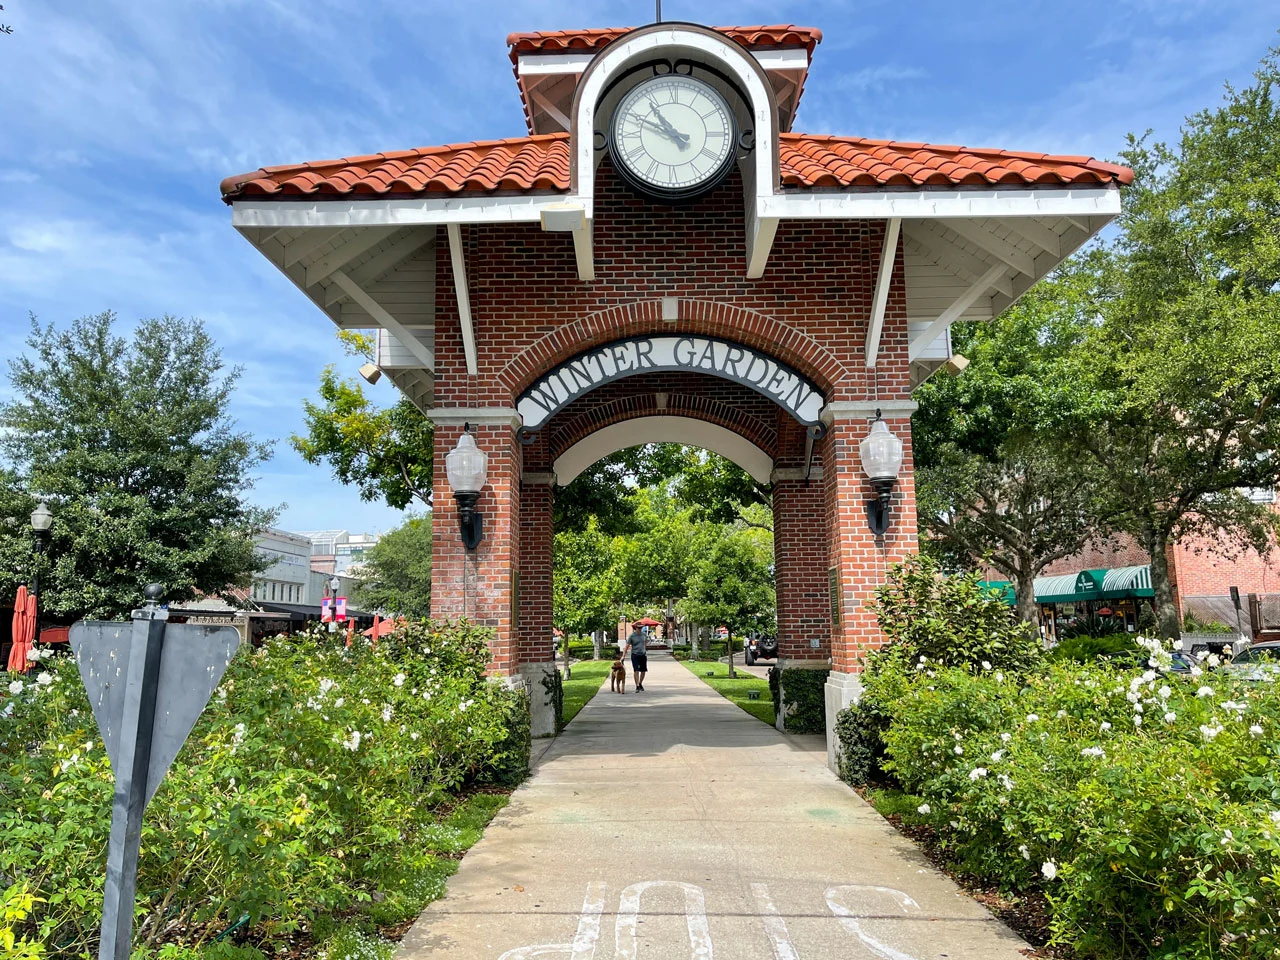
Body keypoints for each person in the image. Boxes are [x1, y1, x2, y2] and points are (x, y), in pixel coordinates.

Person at [623, 624, 648, 692]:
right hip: (635, 655)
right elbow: (627, 646)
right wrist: (623, 656)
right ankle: (637, 685)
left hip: (643, 654)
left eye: (641, 627)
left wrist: (644, 649)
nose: (640, 629)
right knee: (636, 670)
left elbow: (646, 642)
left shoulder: (644, 635)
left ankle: (640, 683)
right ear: (635, 628)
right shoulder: (632, 636)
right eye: (639, 627)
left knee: (643, 671)